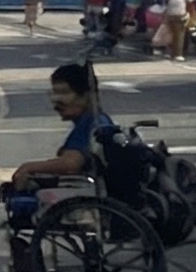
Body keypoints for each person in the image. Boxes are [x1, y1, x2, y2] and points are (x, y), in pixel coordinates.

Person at [6, 62, 116, 199]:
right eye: (55, 93)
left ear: (86, 95)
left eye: (64, 93)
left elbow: (70, 164)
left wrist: (28, 167)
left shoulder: (91, 124)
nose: (57, 100)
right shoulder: (98, 120)